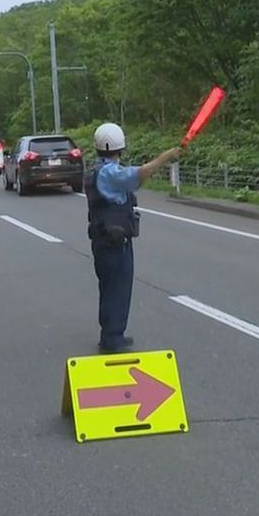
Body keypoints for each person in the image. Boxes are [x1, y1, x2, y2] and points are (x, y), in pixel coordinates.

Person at [84, 122, 181, 353]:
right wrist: (165, 156)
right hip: (114, 240)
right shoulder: (110, 174)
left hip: (102, 238)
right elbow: (139, 174)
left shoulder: (96, 171)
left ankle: (109, 333)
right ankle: (113, 338)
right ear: (120, 146)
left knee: (108, 287)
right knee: (118, 287)